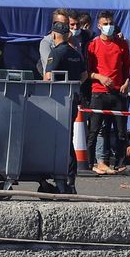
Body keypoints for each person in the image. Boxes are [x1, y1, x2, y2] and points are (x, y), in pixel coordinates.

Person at [86, 10, 130, 175]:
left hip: (118, 93)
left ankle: (120, 164)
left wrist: (126, 83)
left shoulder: (122, 44)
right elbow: (87, 72)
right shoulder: (93, 45)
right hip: (98, 92)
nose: (109, 27)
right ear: (99, 26)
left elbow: (127, 68)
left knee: (120, 131)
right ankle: (91, 163)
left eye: (111, 23)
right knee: (95, 130)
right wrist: (100, 77)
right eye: (105, 24)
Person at [44, 21, 87, 192]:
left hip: (57, 102)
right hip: (73, 100)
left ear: (54, 35)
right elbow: (84, 75)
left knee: (58, 140)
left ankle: (59, 177)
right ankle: (70, 180)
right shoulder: (76, 54)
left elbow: (48, 78)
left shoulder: (56, 53)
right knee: (68, 139)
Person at [39, 8, 71, 77]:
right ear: (55, 24)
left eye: (67, 24)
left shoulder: (74, 40)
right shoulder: (46, 42)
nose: (65, 27)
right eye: (62, 24)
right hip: (54, 83)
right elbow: (50, 65)